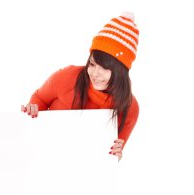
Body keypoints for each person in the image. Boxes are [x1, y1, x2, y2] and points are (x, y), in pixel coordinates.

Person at [21, 12, 139, 160]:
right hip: (45, 155)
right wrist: (32, 110)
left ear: (121, 71)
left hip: (83, 168)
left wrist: (117, 154)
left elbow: (111, 155)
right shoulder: (67, 77)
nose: (95, 73)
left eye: (104, 68)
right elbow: (40, 99)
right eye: (92, 64)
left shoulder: (129, 107)